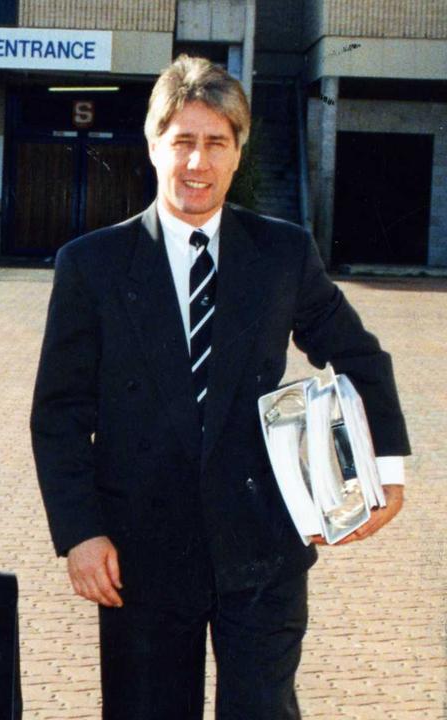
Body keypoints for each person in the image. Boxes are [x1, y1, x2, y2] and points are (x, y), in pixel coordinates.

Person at [30, 55, 411, 719]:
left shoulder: (282, 253)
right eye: (182, 142)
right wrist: (81, 533)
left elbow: (357, 354)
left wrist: (384, 470)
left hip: (263, 548)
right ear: (153, 148)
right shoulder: (91, 266)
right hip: (139, 556)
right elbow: (59, 414)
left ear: (238, 152)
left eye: (215, 143)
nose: (197, 164)